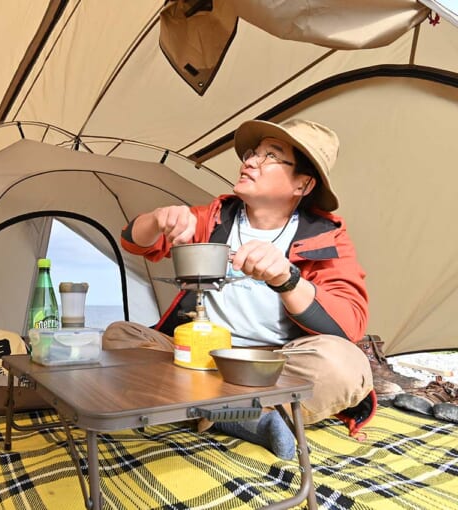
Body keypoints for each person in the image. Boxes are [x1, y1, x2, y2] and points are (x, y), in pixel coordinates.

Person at [108, 118, 375, 459]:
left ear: (303, 185)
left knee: (345, 366)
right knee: (120, 337)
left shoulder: (325, 235)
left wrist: (287, 278)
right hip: (199, 357)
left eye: (270, 156)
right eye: (252, 153)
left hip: (271, 365)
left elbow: (348, 324)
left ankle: (204, 407)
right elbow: (134, 242)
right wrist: (159, 218)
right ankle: (241, 415)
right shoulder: (215, 216)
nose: (249, 161)